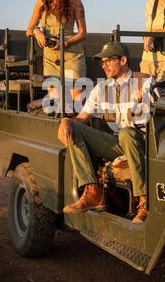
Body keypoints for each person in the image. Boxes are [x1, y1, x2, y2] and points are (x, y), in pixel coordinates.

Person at [58, 41, 153, 224]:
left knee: (127, 132)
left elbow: (157, 114)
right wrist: (66, 121)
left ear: (123, 60)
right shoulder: (101, 88)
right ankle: (92, 191)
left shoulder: (145, 81)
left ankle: (144, 201)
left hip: (143, 142)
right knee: (74, 128)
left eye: (108, 60)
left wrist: (145, 99)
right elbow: (82, 117)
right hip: (118, 143)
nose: (104, 65)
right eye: (102, 62)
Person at [26, 0, 86, 107]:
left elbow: (83, 33)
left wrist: (64, 43)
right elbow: (29, 29)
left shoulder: (74, 1)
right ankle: (39, 106)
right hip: (51, 58)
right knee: (56, 102)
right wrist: (37, 32)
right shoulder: (41, 1)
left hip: (72, 55)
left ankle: (77, 128)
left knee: (76, 103)